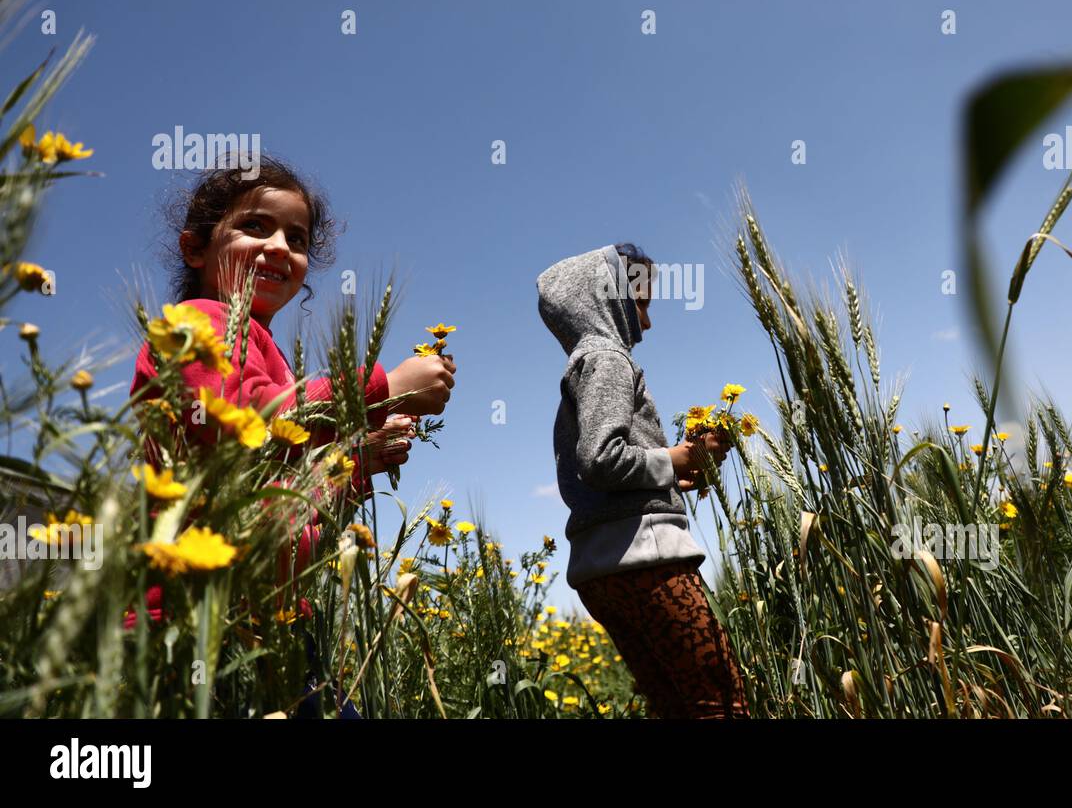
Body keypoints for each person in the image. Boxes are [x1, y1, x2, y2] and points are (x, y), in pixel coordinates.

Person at [128, 155, 457, 712]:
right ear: (195, 248)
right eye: (255, 227)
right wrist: (380, 385)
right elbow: (243, 419)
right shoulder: (193, 327)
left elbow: (295, 491)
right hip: (193, 619)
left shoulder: (270, 353)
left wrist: (359, 464)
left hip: (274, 617)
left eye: (297, 238)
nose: (280, 246)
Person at [537, 242, 749, 719]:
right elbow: (600, 459)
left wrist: (672, 476)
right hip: (644, 562)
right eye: (641, 303)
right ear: (607, 296)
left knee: (674, 707)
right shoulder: (608, 358)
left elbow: (604, 470)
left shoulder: (585, 362)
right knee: (723, 705)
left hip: (603, 569)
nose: (647, 322)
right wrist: (678, 458)